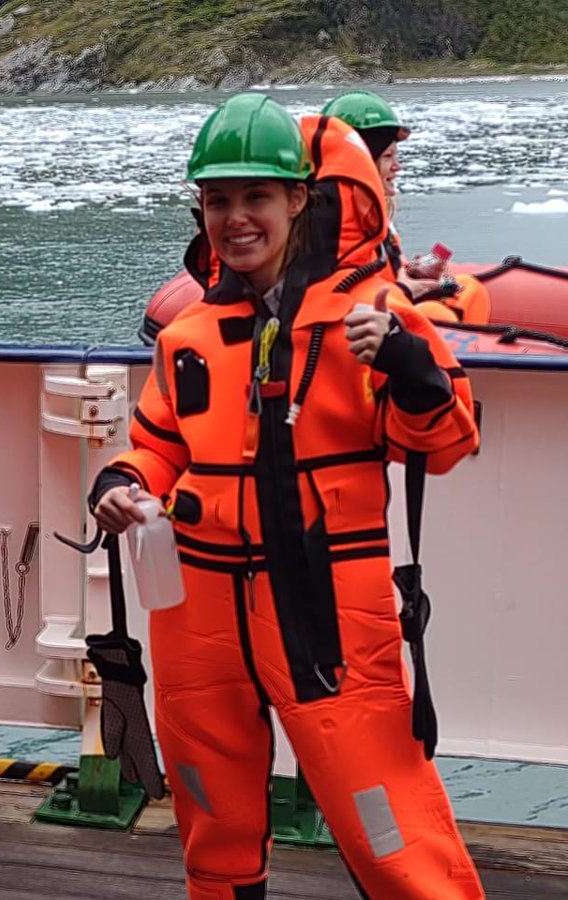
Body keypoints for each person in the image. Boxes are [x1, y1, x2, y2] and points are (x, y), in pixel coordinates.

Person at [90, 93, 484, 899]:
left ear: (298, 200)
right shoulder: (190, 334)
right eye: (218, 201)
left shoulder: (373, 315)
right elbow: (160, 442)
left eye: (256, 198)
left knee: (386, 822)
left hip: (326, 605)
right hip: (195, 609)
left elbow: (446, 443)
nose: (236, 219)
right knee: (213, 816)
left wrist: (411, 368)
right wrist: (122, 483)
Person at [322, 90, 490, 324]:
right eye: (388, 156)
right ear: (364, 161)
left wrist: (410, 272)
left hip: (390, 299)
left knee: (469, 290)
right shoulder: (325, 217)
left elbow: (384, 270)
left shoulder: (377, 213)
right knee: (437, 314)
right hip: (360, 316)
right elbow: (342, 289)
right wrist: (405, 288)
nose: (397, 167)